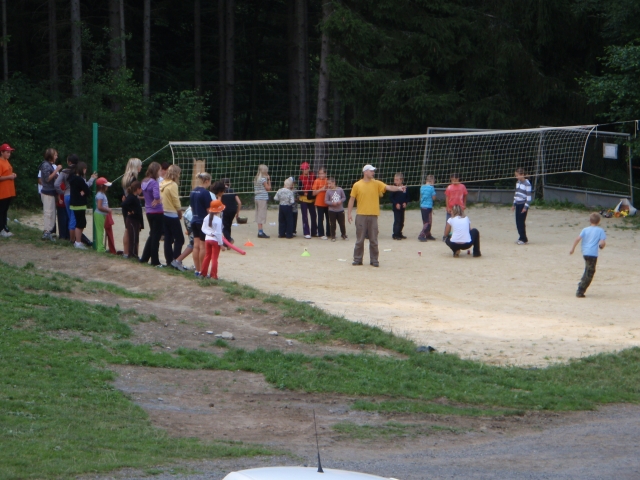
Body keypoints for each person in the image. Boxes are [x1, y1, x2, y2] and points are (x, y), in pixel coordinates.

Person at [347, 164, 407, 267]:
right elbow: (352, 199)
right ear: (365, 172)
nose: (373, 173)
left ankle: (374, 260)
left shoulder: (376, 183)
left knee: (374, 239)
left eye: (373, 171)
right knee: (360, 239)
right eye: (371, 171)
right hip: (361, 215)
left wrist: (399, 188)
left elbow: (388, 187)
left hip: (373, 215)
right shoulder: (357, 185)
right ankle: (357, 259)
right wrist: (349, 213)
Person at [56, 154, 97, 245]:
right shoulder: (79, 174)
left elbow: (56, 184)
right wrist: (91, 179)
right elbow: (85, 186)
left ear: (69, 162)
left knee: (71, 218)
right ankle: (74, 240)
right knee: (75, 219)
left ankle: (73, 239)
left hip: (67, 196)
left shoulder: (65, 172)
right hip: (76, 198)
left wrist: (62, 192)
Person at [569, 212, 607, 298]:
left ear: (590, 220)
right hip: (593, 253)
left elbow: (578, 239)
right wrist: (601, 246)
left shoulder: (585, 229)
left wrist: (572, 249)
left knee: (587, 269)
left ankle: (582, 283)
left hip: (585, 252)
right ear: (599, 221)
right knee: (590, 272)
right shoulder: (600, 230)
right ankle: (581, 289)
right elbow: (602, 242)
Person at [160, 165, 185, 269]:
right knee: (180, 239)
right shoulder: (173, 184)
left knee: (168, 238)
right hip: (172, 213)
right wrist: (179, 211)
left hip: (163, 212)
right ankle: (176, 260)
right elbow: (175, 200)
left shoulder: (162, 183)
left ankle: (169, 261)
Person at [139, 162, 164, 266]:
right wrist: (159, 199)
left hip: (149, 210)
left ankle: (145, 257)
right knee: (156, 237)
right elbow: (156, 195)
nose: (161, 172)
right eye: (159, 170)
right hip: (157, 211)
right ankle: (155, 261)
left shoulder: (144, 181)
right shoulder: (154, 182)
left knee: (152, 234)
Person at [190, 172, 212, 276]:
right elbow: (209, 209)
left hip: (194, 220)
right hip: (203, 221)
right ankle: (203, 271)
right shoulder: (205, 193)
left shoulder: (193, 191)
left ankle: (197, 270)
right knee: (203, 247)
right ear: (207, 181)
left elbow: (192, 207)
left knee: (196, 246)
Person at [39, 148, 63, 240]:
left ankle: (49, 231)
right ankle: (46, 232)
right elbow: (47, 179)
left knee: (52, 213)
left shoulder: (49, 165)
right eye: (55, 155)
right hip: (47, 193)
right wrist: (56, 170)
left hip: (51, 192)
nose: (56, 157)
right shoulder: (45, 165)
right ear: (51, 156)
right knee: (48, 212)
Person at [120, 158, 143, 255]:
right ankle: (132, 252)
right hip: (131, 206)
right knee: (132, 230)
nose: (141, 167)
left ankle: (126, 252)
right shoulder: (133, 179)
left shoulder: (125, 178)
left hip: (126, 204)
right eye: (140, 165)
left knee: (127, 229)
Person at [68, 162, 92, 249]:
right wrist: (84, 191)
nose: (85, 171)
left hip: (74, 203)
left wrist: (84, 191)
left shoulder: (73, 178)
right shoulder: (79, 179)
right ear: (82, 169)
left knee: (81, 222)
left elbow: (84, 190)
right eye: (85, 169)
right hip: (79, 204)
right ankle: (78, 242)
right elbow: (87, 191)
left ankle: (78, 241)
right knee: (80, 223)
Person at [201, 199, 225, 279]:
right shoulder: (218, 220)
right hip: (215, 241)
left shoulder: (206, 217)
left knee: (207, 256)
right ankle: (213, 275)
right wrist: (221, 244)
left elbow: (203, 229)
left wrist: (209, 233)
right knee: (214, 258)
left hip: (207, 239)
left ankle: (203, 273)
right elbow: (218, 233)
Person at [121, 181, 144, 260]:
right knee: (133, 238)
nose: (141, 191)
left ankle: (134, 253)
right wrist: (131, 210)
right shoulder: (131, 197)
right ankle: (132, 254)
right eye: (140, 189)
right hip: (132, 220)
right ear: (137, 189)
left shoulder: (135, 197)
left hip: (136, 220)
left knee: (135, 237)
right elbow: (124, 204)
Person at [94, 177, 117, 254]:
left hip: (102, 214)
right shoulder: (100, 195)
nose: (107, 187)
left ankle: (100, 246)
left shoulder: (102, 194)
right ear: (102, 186)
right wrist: (108, 210)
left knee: (100, 231)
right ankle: (100, 248)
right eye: (106, 185)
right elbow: (99, 207)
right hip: (99, 214)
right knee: (100, 231)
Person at [443, 173, 467, 241]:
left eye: (455, 179)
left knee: (460, 222)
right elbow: (447, 198)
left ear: (458, 179)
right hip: (451, 207)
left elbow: (465, 195)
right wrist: (448, 207)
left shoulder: (462, 187)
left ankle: (460, 235)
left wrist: (464, 204)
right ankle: (445, 236)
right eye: (452, 180)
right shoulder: (449, 187)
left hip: (460, 207)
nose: (454, 181)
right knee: (448, 222)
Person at [0, 143, 16, 238]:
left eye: (9, 152)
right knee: (1, 210)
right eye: (7, 152)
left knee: (5, 210)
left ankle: (5, 227)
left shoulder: (6, 161)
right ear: (2, 152)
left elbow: (7, 172)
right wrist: (9, 177)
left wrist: (12, 174)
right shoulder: (0, 162)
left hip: (9, 191)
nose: (9, 154)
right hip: (2, 191)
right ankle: (1, 229)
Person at [512, 167, 532, 245]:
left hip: (523, 204)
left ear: (522, 174)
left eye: (517, 175)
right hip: (517, 204)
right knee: (517, 222)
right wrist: (514, 204)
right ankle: (521, 237)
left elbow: (529, 197)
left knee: (521, 222)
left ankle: (523, 239)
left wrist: (525, 207)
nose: (516, 177)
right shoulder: (518, 183)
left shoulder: (527, 184)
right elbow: (516, 194)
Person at [324, 177, 347, 242]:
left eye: (330, 183)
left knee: (342, 223)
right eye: (328, 184)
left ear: (334, 183)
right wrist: (332, 203)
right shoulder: (328, 191)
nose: (329, 185)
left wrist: (340, 201)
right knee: (332, 224)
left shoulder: (340, 189)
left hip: (340, 210)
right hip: (332, 210)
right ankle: (333, 236)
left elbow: (344, 197)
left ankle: (343, 234)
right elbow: (326, 201)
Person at [298, 162, 317, 239]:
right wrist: (305, 193)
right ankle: (306, 232)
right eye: (303, 169)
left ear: (309, 169)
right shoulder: (300, 178)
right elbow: (299, 191)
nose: (305, 170)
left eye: (306, 169)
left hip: (312, 199)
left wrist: (313, 194)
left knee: (314, 215)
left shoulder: (313, 176)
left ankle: (314, 231)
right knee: (305, 216)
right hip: (304, 199)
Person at [221, 178, 241, 243]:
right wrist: (237, 213)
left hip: (225, 210)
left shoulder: (221, 191)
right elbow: (239, 203)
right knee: (228, 225)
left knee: (224, 227)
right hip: (233, 210)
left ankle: (229, 239)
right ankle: (227, 243)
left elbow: (219, 201)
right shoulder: (232, 191)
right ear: (229, 183)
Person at [390, 172, 409, 240]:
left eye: (397, 180)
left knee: (402, 221)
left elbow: (407, 197)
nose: (395, 181)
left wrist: (405, 202)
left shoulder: (404, 188)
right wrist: (396, 203)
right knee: (397, 221)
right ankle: (395, 234)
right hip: (396, 207)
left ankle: (399, 233)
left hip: (402, 207)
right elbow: (391, 197)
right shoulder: (394, 188)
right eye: (394, 180)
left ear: (401, 180)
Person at [312, 167, 330, 240]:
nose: (321, 175)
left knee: (329, 218)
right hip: (319, 203)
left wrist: (328, 189)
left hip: (328, 203)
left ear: (325, 174)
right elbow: (313, 193)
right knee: (320, 219)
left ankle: (329, 233)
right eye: (319, 173)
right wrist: (321, 189)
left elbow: (332, 189)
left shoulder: (328, 180)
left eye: (322, 173)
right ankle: (321, 234)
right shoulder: (316, 181)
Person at [254, 164, 271, 238]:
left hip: (257, 197)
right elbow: (268, 188)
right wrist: (269, 180)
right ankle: (260, 232)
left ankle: (260, 230)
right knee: (261, 214)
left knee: (258, 214)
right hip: (262, 198)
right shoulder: (263, 179)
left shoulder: (256, 178)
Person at [418, 174, 437, 241]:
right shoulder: (431, 188)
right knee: (428, 222)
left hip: (422, 206)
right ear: (432, 181)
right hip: (428, 207)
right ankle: (421, 235)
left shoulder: (422, 187)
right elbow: (434, 198)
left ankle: (428, 234)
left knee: (426, 221)